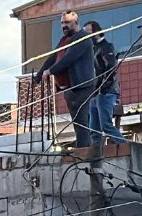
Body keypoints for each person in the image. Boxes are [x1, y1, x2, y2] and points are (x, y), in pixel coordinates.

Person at [37, 11, 95, 148]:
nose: (64, 25)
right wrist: (39, 75)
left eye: (67, 22)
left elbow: (69, 59)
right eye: (62, 23)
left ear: (76, 22)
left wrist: (50, 71)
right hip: (70, 87)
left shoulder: (83, 38)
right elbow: (53, 57)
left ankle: (83, 149)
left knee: (81, 120)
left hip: (82, 85)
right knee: (78, 119)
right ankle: (83, 145)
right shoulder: (64, 40)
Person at [84, 21, 128, 145]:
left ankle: (127, 147)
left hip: (105, 92)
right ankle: (96, 155)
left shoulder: (107, 47)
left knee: (106, 126)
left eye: (87, 34)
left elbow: (110, 69)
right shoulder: (94, 49)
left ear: (96, 33)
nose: (85, 37)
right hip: (96, 93)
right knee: (94, 129)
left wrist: (101, 86)